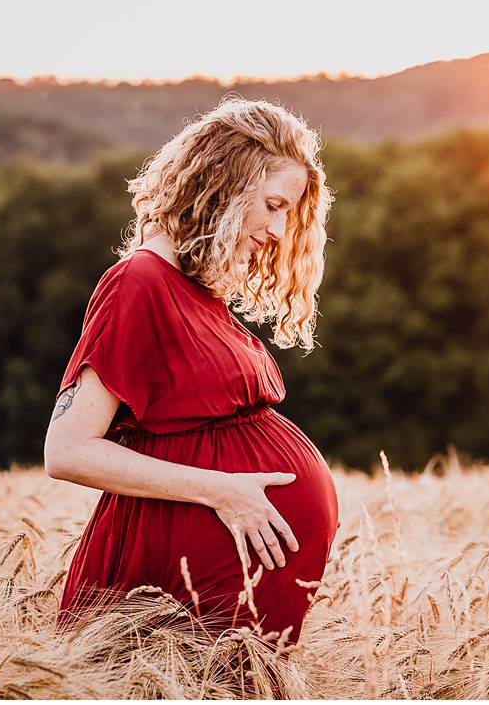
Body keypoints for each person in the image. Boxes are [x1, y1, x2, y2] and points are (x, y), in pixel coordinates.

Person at [43, 96, 339, 647]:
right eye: (272, 205)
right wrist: (223, 491)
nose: (278, 230)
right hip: (172, 586)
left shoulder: (198, 289)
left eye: (287, 213)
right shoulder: (139, 283)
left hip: (229, 592)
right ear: (223, 184)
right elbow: (67, 451)